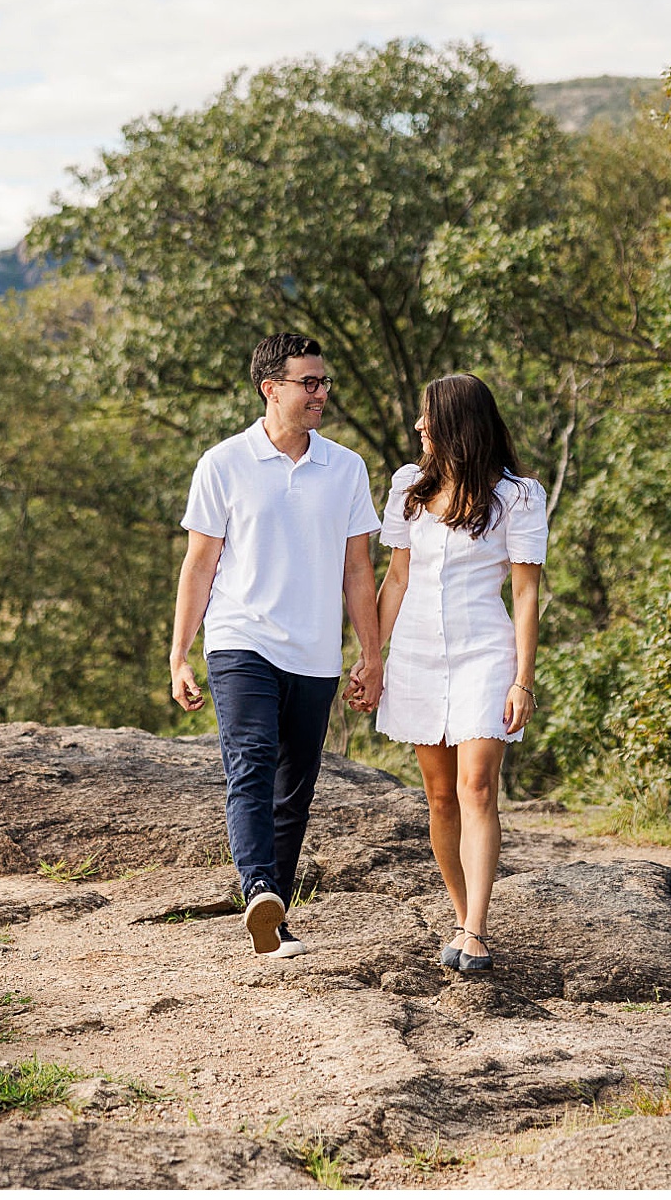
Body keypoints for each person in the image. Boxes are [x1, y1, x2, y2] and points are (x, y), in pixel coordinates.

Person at [169, 333, 383, 958]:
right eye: (309, 383)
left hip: (315, 652)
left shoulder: (345, 467)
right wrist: (180, 653)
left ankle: (275, 917)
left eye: (324, 383)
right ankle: (258, 887)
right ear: (272, 388)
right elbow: (199, 566)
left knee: (296, 786)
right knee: (252, 761)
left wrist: (371, 656)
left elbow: (358, 570)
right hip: (241, 640)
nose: (321, 393)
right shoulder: (223, 463)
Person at [369, 374, 545, 972]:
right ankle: (460, 912)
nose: (419, 427)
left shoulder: (519, 496)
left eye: (428, 417)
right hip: (416, 655)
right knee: (440, 795)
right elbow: (395, 579)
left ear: (458, 424)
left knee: (476, 786)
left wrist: (523, 678)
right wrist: (370, 655)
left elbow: (525, 595)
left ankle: (475, 930)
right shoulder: (407, 488)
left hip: (484, 655)